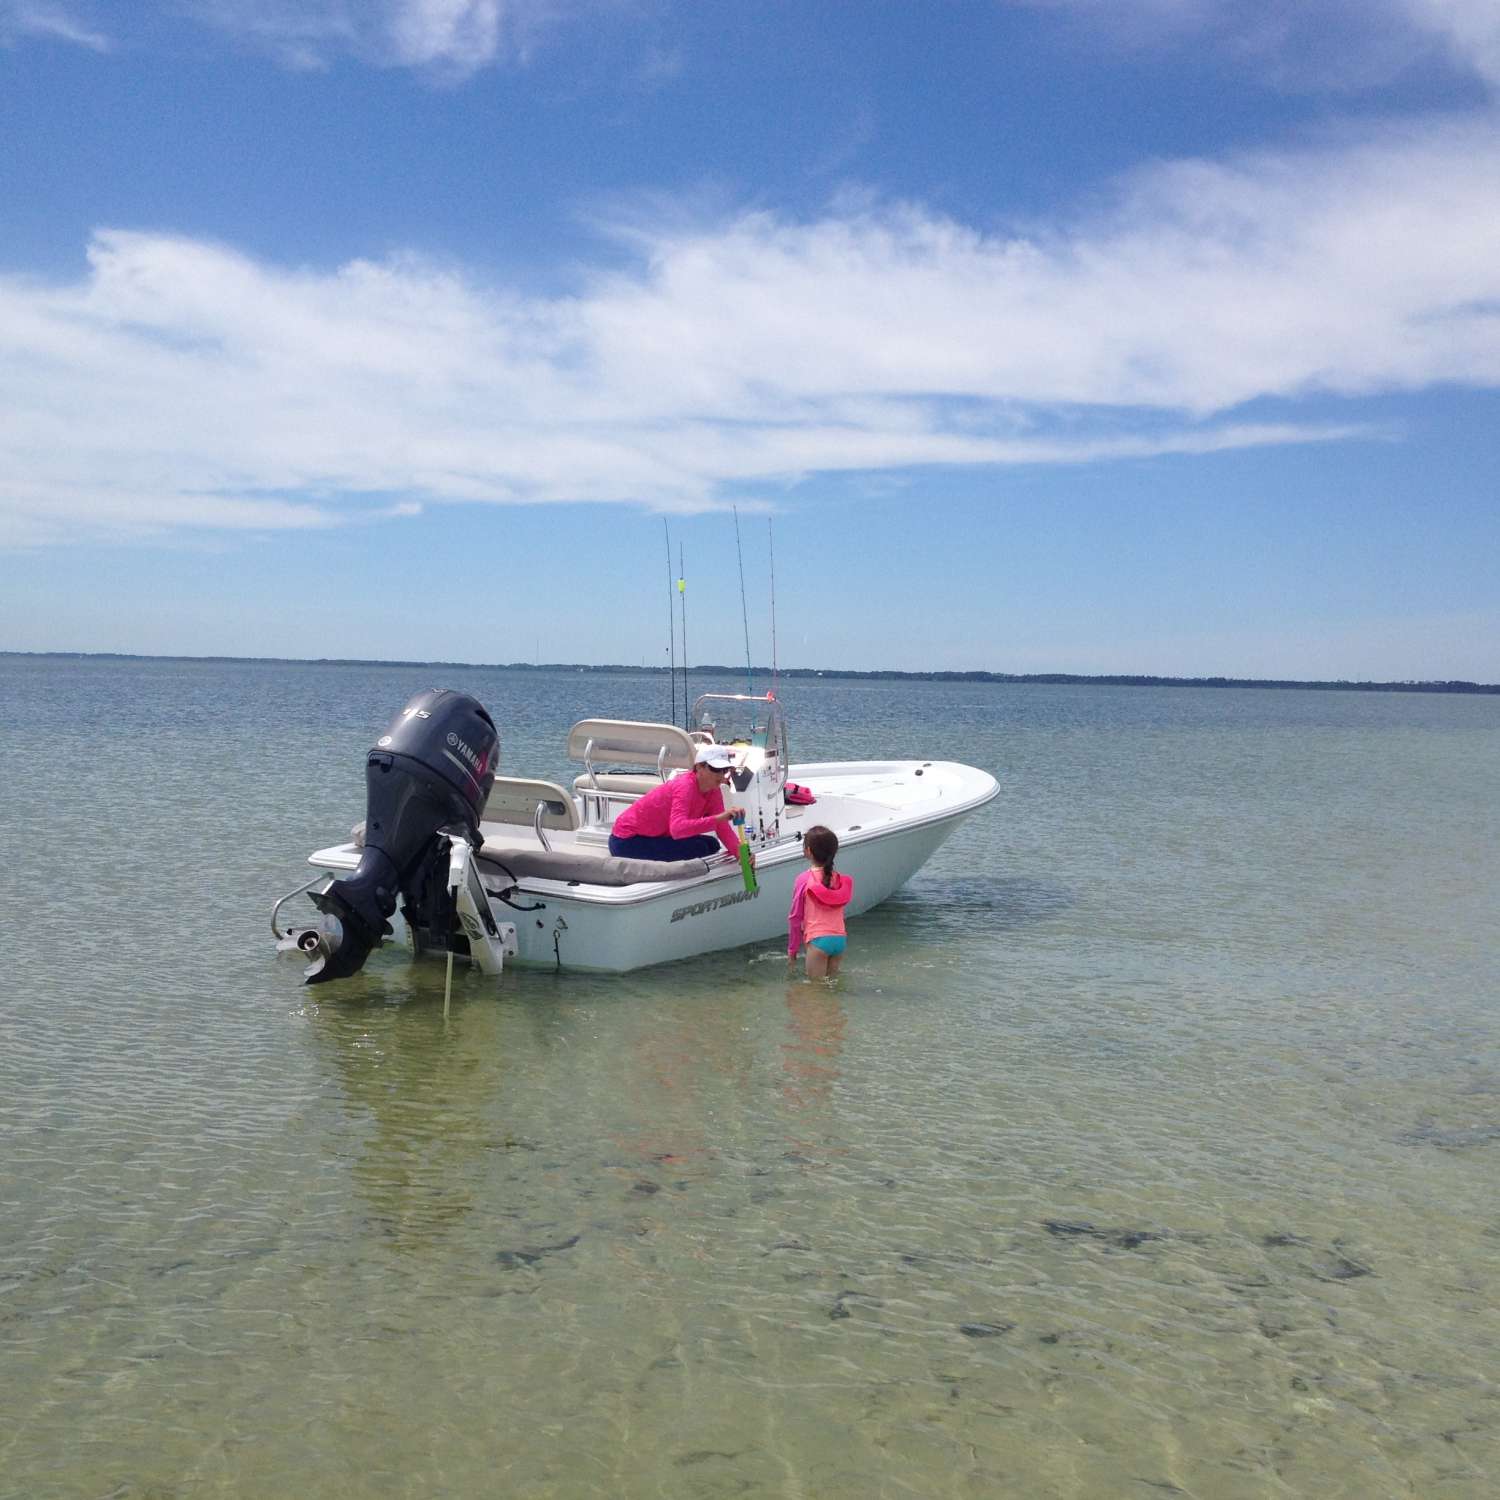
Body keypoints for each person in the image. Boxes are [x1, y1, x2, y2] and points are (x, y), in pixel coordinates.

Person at [608, 743, 751, 863]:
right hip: (626, 841)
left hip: (654, 836)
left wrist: (742, 855)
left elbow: (722, 828)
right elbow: (677, 829)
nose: (721, 775)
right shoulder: (685, 786)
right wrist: (719, 818)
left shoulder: (713, 790)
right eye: (716, 769)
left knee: (711, 844)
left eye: (724, 770)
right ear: (699, 767)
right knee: (701, 848)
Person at [787, 825, 853, 978]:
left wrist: (792, 950)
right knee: (832, 989)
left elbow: (795, 918)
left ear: (808, 851)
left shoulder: (804, 879)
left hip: (818, 940)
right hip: (839, 939)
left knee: (815, 992)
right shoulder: (839, 879)